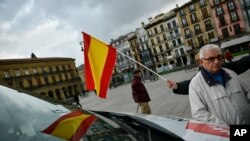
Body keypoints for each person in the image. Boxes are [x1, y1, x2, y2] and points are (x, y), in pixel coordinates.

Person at [189, 44, 250, 126]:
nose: (216, 61)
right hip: (226, 134)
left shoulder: (231, 73)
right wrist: (224, 128)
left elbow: (247, 93)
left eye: (218, 57)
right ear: (201, 62)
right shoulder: (195, 84)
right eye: (211, 59)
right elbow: (199, 114)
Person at [167, 54, 250, 95]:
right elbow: (191, 85)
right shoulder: (199, 76)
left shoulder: (224, 68)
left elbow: (239, 64)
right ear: (200, 63)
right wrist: (177, 86)